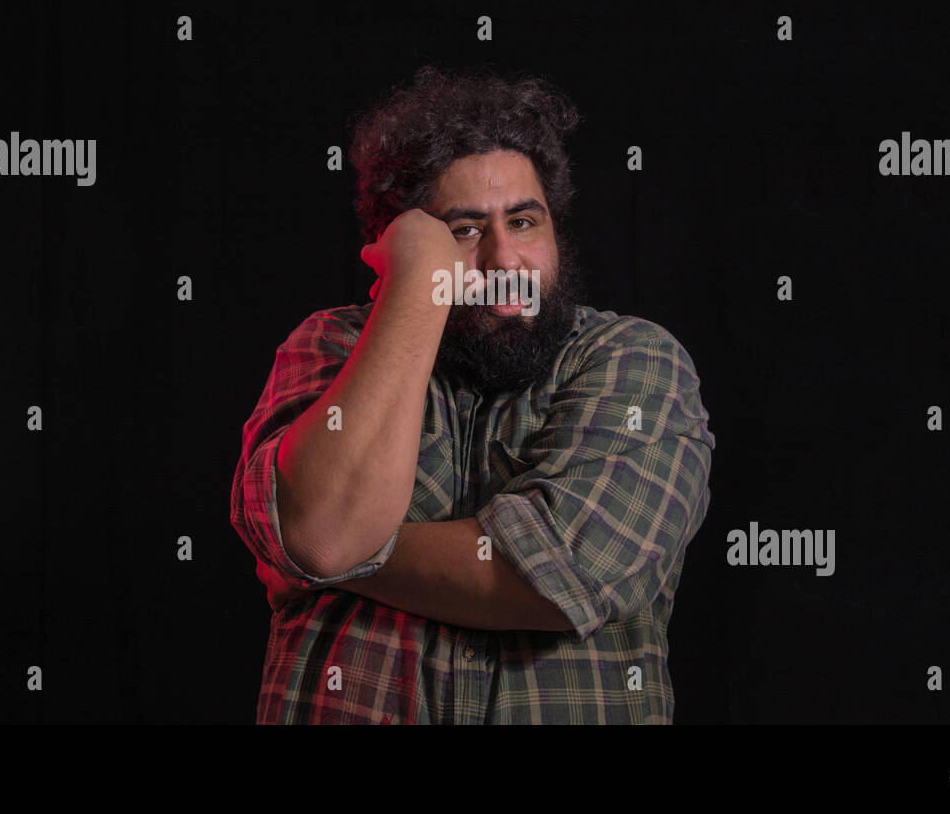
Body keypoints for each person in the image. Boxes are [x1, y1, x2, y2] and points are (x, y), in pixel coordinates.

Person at [229, 65, 716, 723]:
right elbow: (320, 525)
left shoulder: (632, 359)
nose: (505, 261)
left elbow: (565, 572)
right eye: (463, 231)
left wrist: (336, 559)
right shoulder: (330, 348)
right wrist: (417, 289)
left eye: (524, 222)